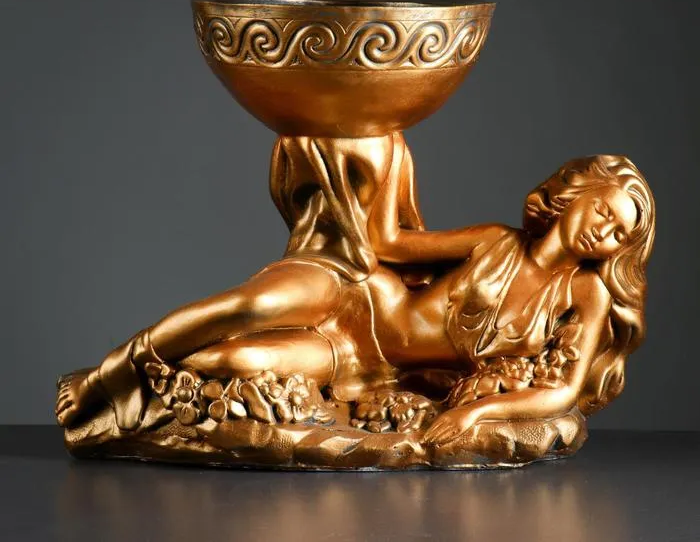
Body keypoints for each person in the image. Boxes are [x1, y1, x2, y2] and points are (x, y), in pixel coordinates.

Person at [57, 143, 654, 448]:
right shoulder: (496, 241)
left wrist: (474, 412)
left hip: (366, 366)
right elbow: (388, 242)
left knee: (228, 362)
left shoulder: (583, 293)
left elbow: (564, 389)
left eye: (619, 233)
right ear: (573, 194)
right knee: (247, 308)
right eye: (604, 210)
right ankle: (106, 379)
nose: (605, 231)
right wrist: (387, 145)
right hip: (358, 297)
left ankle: (137, 407)